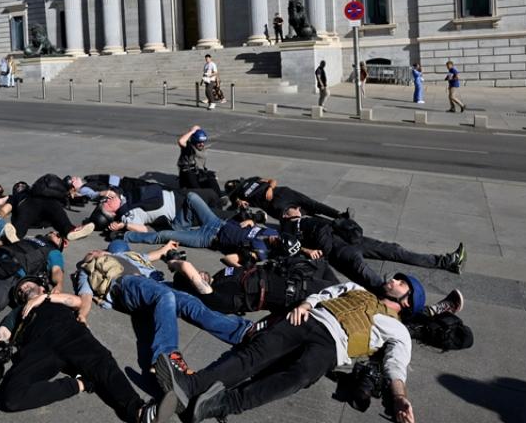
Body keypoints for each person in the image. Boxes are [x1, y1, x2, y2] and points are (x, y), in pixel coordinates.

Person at [155, 275, 430, 423]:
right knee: (254, 355)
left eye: (401, 283)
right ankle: (189, 387)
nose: (393, 281)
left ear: (407, 302)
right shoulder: (357, 288)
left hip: (333, 346)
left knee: (297, 378)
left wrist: (399, 399)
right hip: (308, 319)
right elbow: (327, 294)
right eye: (396, 278)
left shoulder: (399, 330)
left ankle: (217, 406)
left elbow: (395, 365)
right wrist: (305, 305)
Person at [0, 277, 167, 423]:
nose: (23, 289)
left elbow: (77, 301)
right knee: (10, 397)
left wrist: (46, 298)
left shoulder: (53, 298)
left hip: (69, 333)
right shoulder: (18, 313)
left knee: (102, 362)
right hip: (37, 349)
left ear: (40, 287)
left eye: (27, 285)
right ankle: (81, 382)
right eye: (20, 291)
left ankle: (140, 412)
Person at [75, 240, 255, 375]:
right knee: (165, 296)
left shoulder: (130, 256)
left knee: (189, 302)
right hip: (125, 284)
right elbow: (86, 295)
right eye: (90, 253)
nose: (93, 251)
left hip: (154, 284)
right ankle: (166, 355)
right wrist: (82, 315)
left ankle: (241, 330)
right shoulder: (87, 269)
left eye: (97, 250)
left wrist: (167, 247)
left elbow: (156, 254)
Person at [282, 204, 466, 290]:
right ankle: (394, 300)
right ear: (287, 215)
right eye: (292, 209)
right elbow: (289, 247)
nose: (297, 208)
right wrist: (308, 251)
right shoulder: (288, 228)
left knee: (394, 250)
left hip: (351, 240)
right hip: (339, 250)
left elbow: (322, 209)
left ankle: (446, 261)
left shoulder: (308, 217)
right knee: (368, 275)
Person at [163, 234, 341, 315]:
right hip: (294, 291)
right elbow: (187, 268)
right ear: (194, 285)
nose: (200, 273)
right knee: (343, 296)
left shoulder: (219, 277)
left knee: (321, 264)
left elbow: (229, 259)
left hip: (290, 273)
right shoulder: (213, 296)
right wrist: (174, 264)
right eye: (196, 277)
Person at [225, 176, 349, 220]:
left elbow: (272, 180)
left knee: (312, 204)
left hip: (283, 192)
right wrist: (239, 202)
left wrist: (270, 188)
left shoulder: (251, 179)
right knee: (299, 216)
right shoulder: (237, 196)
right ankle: (333, 226)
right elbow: (237, 204)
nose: (235, 184)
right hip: (274, 204)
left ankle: (340, 215)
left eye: (235, 183)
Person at [176, 125, 223, 198]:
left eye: (203, 142)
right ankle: (202, 199)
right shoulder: (189, 147)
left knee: (212, 179)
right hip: (188, 175)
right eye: (199, 142)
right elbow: (181, 141)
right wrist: (192, 131)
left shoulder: (202, 148)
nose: (202, 144)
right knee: (199, 190)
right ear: (194, 141)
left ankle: (220, 198)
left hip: (198, 173)